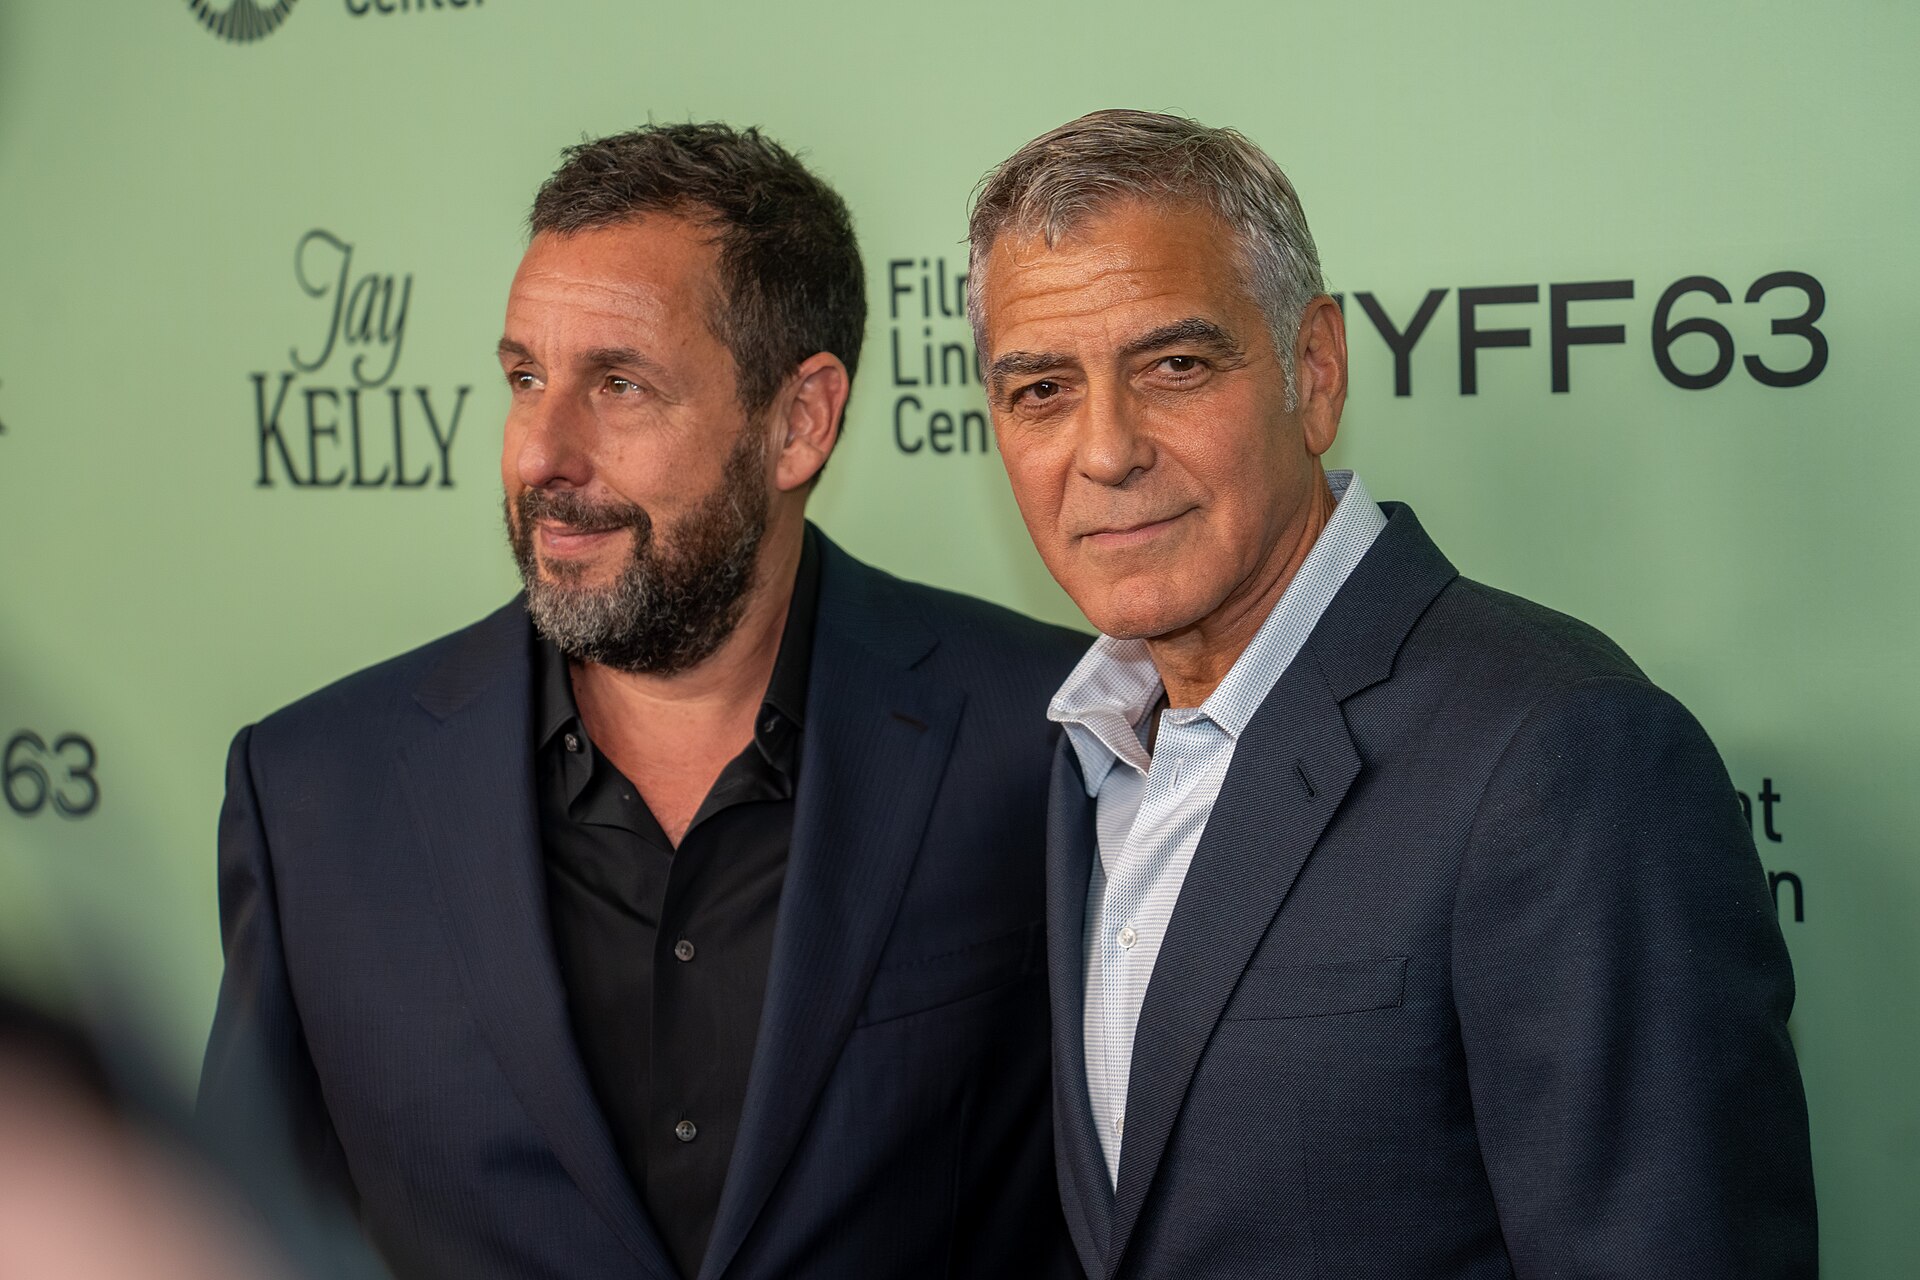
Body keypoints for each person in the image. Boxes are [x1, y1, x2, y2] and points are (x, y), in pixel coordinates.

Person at [201, 122, 1084, 1280]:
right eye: (526, 378)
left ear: (799, 420)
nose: (542, 454)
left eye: (619, 384)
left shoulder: (1051, 737)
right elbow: (219, 1235)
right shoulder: (316, 796)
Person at [967, 109, 1817, 1278]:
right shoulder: (1091, 749)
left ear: (1315, 372)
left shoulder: (1565, 752)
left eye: (1175, 366)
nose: (1106, 450)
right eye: (1041, 389)